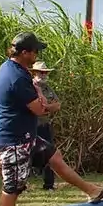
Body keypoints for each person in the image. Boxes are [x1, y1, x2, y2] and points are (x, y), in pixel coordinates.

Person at [0, 32, 103, 206]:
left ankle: (92, 191)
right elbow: (39, 109)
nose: (37, 55)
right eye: (35, 51)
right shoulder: (17, 77)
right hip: (15, 140)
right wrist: (48, 104)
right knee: (11, 189)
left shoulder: (12, 69)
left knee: (54, 157)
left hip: (26, 136)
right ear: (25, 52)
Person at [30, 61, 60, 191]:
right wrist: (43, 108)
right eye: (41, 72)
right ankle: (20, 185)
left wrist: (46, 108)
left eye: (45, 72)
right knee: (25, 154)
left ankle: (49, 185)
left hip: (44, 125)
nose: (43, 74)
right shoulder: (28, 86)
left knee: (49, 154)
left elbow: (57, 105)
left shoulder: (47, 88)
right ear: (34, 73)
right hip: (29, 126)